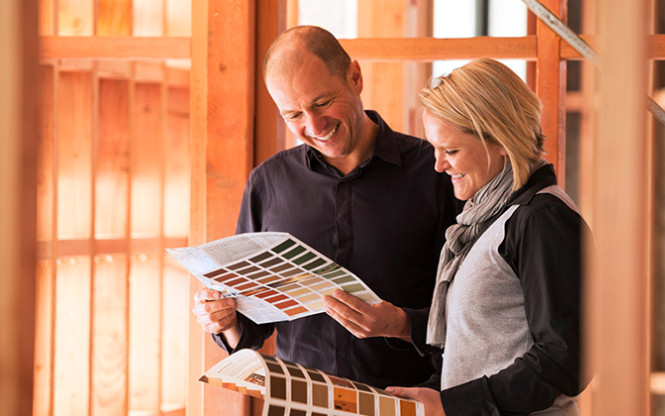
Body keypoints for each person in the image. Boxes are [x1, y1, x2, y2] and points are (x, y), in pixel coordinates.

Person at [191, 25, 463, 388]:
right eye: (293, 116)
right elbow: (253, 325)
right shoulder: (268, 184)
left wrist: (400, 324)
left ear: (355, 77)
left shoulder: (436, 172)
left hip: (412, 402)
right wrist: (224, 321)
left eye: (321, 103)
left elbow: (472, 311)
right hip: (303, 402)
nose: (314, 125)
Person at [387, 58, 590, 415]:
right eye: (434, 149)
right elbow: (480, 345)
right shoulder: (486, 221)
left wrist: (452, 406)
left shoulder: (541, 219)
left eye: (450, 151)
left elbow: (564, 360)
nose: (438, 165)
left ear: (499, 139)